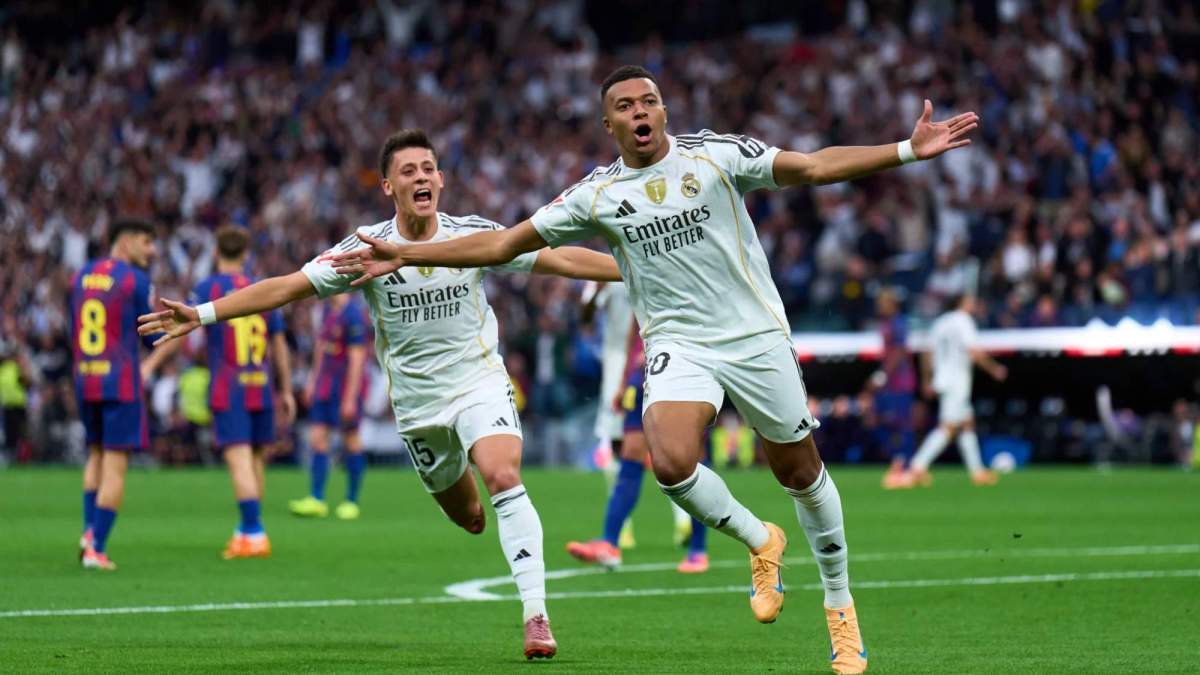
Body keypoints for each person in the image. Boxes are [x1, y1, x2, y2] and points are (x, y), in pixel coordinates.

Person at [326, 66, 979, 674]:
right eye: (623, 107)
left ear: (663, 110)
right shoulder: (598, 194)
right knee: (668, 461)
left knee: (799, 470)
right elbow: (501, 243)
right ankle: (760, 539)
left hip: (754, 336)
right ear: (608, 126)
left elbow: (809, 167)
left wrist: (904, 149)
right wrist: (404, 254)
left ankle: (840, 606)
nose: (640, 112)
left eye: (648, 101)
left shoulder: (715, 156)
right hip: (677, 345)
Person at [138, 128, 623, 660]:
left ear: (441, 179)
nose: (421, 177)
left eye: (428, 168)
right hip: (418, 408)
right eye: (408, 171)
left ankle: (536, 616)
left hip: (479, 380)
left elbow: (560, 259)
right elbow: (287, 286)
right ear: (388, 186)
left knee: (504, 475)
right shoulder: (363, 249)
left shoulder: (473, 236)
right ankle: (477, 510)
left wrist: (637, 269)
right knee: (472, 518)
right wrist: (203, 314)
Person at [179, 225, 295, 558]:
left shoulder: (207, 288)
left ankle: (254, 532)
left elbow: (186, 330)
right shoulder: (262, 290)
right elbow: (279, 343)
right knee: (256, 458)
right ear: (245, 254)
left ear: (216, 252)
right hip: (261, 385)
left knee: (240, 459)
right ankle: (248, 530)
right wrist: (285, 389)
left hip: (229, 387)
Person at [566, 320, 709, 573]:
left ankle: (698, 549)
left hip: (685, 370)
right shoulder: (639, 281)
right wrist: (624, 381)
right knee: (631, 454)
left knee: (691, 459)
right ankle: (609, 542)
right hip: (643, 372)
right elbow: (635, 332)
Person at [71, 218, 168, 571]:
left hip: (86, 378)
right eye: (147, 241)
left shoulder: (81, 275)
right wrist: (169, 340)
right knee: (115, 465)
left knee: (94, 455)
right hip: (121, 382)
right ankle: (97, 547)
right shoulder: (135, 280)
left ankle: (87, 533)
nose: (152, 250)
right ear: (125, 242)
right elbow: (150, 337)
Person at [905, 294, 1007, 486]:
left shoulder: (941, 322)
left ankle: (977, 472)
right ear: (962, 303)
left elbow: (927, 352)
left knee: (967, 423)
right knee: (949, 428)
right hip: (957, 381)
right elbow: (974, 351)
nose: (974, 304)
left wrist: (928, 379)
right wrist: (994, 369)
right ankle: (917, 466)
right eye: (971, 301)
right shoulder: (964, 321)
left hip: (943, 379)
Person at [290, 293, 370, 520]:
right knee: (317, 438)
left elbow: (357, 358)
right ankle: (317, 499)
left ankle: (351, 501)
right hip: (325, 384)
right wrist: (312, 381)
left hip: (345, 385)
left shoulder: (353, 314)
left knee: (351, 440)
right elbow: (320, 348)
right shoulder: (326, 310)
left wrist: (350, 397)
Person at [870, 289, 918, 489]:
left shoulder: (899, 323)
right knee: (883, 422)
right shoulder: (886, 323)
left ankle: (905, 467)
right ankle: (900, 463)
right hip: (891, 383)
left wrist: (882, 376)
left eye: (883, 302)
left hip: (901, 382)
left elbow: (899, 353)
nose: (879, 306)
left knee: (903, 426)